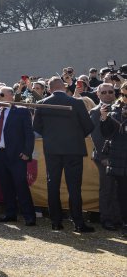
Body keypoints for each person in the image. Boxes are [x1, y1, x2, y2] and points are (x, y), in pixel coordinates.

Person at [33, 76, 95, 233]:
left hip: (52, 150)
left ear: (49, 88)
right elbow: (88, 126)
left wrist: (52, 137)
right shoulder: (76, 103)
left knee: (52, 185)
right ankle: (78, 222)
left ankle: (56, 221)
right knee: (74, 186)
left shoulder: (42, 103)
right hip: (73, 150)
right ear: (63, 86)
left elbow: (37, 127)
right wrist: (74, 137)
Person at [0, 87, 36, 226]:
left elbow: (29, 133)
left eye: (2, 94)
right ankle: (10, 213)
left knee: (21, 185)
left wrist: (27, 152)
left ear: (11, 96)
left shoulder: (21, 111)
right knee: (6, 186)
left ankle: (29, 216)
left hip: (16, 155)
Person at [90, 83, 122, 230]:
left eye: (110, 91)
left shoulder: (120, 108)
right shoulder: (95, 112)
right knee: (107, 188)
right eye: (104, 92)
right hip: (104, 158)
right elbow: (97, 137)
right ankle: (106, 219)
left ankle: (118, 218)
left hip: (119, 156)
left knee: (118, 189)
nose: (108, 94)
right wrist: (104, 157)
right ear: (98, 94)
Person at [99, 81, 127, 238]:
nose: (124, 97)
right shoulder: (115, 109)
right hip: (119, 159)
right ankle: (125, 223)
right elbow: (107, 134)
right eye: (122, 94)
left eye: (126, 94)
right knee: (122, 194)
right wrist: (103, 119)